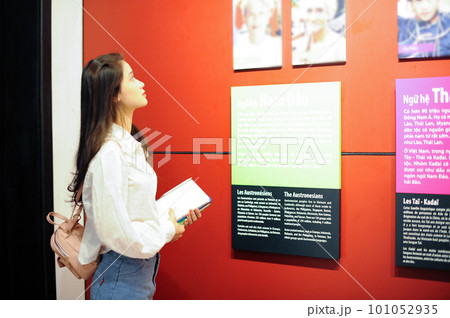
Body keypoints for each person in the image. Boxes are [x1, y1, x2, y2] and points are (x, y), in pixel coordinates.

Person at [68, 53, 202, 300]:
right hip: (121, 273)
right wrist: (167, 230)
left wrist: (171, 219)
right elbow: (118, 233)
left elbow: (130, 214)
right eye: (132, 78)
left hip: (135, 273)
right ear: (114, 94)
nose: (141, 83)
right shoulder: (110, 152)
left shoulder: (128, 144)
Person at [292, 0, 346, 65]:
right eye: (309, 10)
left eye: (320, 10)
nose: (313, 18)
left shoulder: (340, 45)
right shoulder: (298, 44)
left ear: (328, 13)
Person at [233, 0, 282, 69]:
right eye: (251, 14)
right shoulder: (236, 49)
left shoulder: (277, 47)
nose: (256, 19)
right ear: (244, 17)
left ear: (268, 16)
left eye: (261, 13)